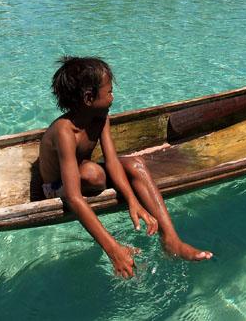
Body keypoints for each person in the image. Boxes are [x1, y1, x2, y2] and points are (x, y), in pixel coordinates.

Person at [39, 56, 212, 278]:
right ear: (89, 98)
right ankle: (118, 245)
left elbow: (112, 162)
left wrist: (132, 201)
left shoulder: (100, 117)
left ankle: (171, 240)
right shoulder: (65, 132)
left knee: (136, 164)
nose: (112, 98)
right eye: (109, 92)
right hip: (56, 186)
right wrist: (113, 249)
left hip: (88, 172)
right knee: (93, 174)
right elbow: (73, 198)